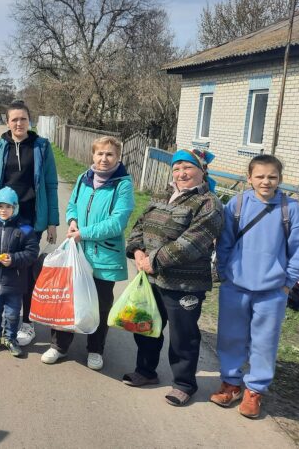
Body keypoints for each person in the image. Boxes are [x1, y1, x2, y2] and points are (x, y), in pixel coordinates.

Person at [211, 155, 299, 418]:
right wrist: (225, 272)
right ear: (249, 178)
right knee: (230, 337)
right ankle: (231, 383)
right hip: (235, 285)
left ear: (280, 179)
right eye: (260, 176)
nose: (266, 181)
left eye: (272, 176)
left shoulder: (290, 209)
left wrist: (287, 283)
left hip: (272, 292)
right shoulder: (237, 204)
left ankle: (254, 390)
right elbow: (224, 243)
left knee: (264, 343)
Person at [123, 148, 223, 407]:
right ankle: (146, 371)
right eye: (177, 168)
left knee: (183, 335)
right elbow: (139, 225)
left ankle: (184, 384)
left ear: (202, 171)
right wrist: (136, 251)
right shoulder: (162, 194)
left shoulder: (209, 204)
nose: (181, 173)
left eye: (187, 168)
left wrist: (152, 261)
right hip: (151, 279)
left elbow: (193, 243)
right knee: (147, 326)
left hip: (184, 284)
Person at [41, 136, 134, 370]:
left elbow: (117, 222)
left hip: (104, 257)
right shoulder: (84, 178)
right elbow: (72, 205)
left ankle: (95, 349)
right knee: (68, 300)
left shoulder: (123, 184)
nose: (104, 159)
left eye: (109, 154)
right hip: (78, 253)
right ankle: (59, 346)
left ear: (118, 157)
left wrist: (84, 232)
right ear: (93, 155)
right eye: (100, 154)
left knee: (100, 306)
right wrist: (72, 221)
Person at [0, 100, 59, 346]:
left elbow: (50, 184)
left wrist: (52, 222)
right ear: (8, 122)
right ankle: (1, 323)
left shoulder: (42, 147)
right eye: (14, 119)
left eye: (23, 119)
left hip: (30, 218)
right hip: (2, 218)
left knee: (26, 271)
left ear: (30, 121)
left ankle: (27, 322)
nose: (18, 123)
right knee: (0, 268)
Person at [0, 187, 40, 357]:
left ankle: (10, 338)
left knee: (12, 314)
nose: (3, 210)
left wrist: (13, 259)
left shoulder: (25, 230)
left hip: (15, 283)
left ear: (15, 207)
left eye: (7, 207)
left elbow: (31, 253)